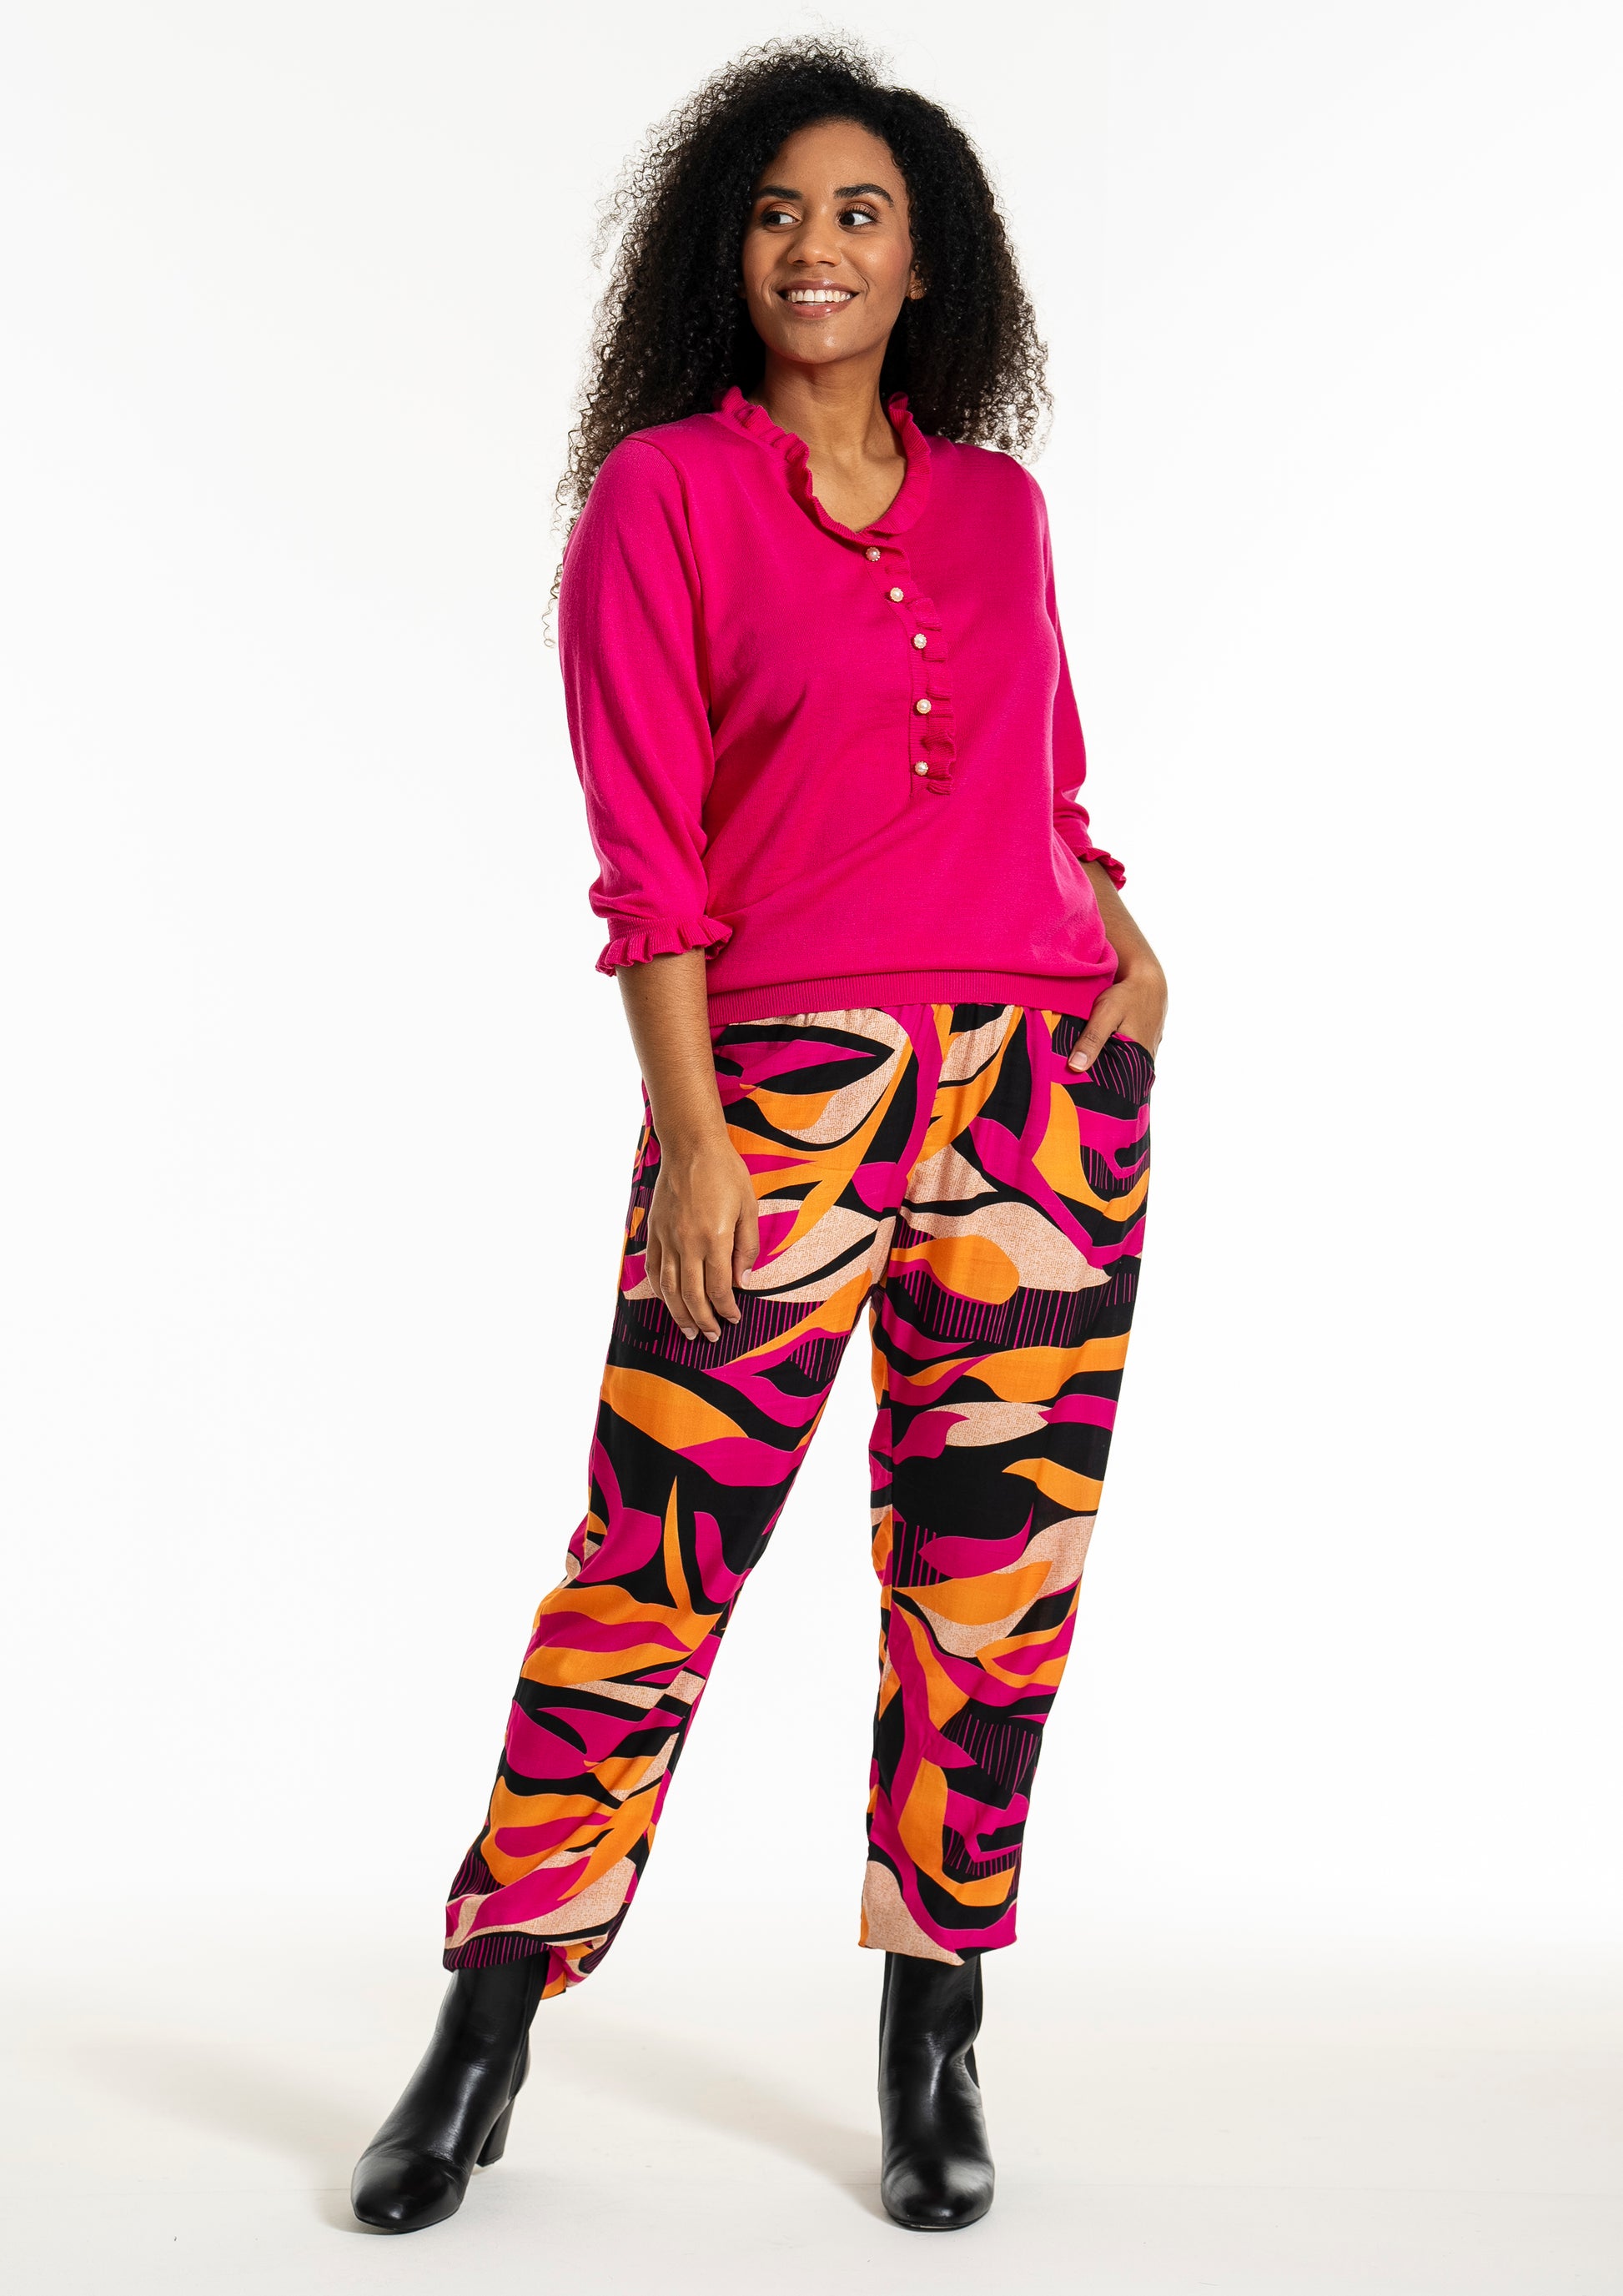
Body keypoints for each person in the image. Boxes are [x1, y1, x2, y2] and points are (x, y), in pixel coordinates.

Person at [353, 36, 1167, 2237]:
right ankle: (485, 2019)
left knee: (991, 1580)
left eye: (860, 214)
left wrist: (1121, 934)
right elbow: (649, 856)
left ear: (926, 265)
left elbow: (1047, 785)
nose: (818, 247)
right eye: (782, 213)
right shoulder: (664, 497)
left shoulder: (998, 509)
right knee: (654, 1563)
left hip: (1041, 1099)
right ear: (731, 253)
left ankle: (935, 2028)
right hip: (784, 1095)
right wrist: (694, 1135)